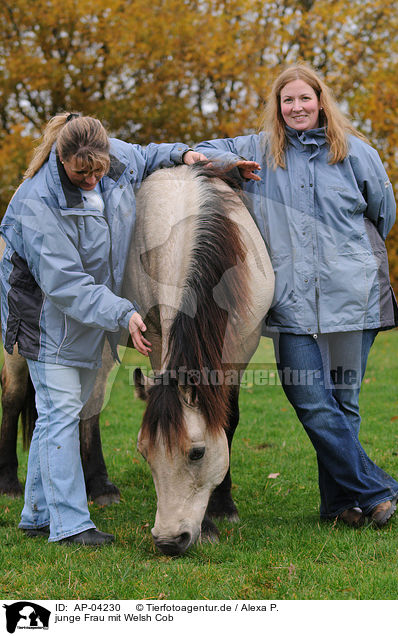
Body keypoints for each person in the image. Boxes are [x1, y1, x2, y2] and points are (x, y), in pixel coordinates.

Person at [195, 63, 398, 528]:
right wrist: (226, 166)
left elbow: (382, 215)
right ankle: (378, 489)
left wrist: (343, 259)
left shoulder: (358, 154)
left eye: (305, 98)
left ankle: (340, 506)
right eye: (288, 100)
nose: (297, 107)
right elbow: (202, 152)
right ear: (278, 106)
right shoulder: (258, 151)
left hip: (353, 297)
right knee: (309, 399)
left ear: (320, 101)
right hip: (289, 303)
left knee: (344, 405)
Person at [0, 112, 206, 545]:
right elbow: (65, 284)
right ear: (61, 155)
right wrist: (124, 313)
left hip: (81, 316)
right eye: (81, 171)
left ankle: (36, 513)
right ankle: (71, 525)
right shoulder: (39, 202)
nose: (93, 178)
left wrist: (184, 154)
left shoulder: (110, 159)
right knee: (59, 412)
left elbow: (146, 155)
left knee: (59, 411)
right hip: (43, 315)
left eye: (99, 169)